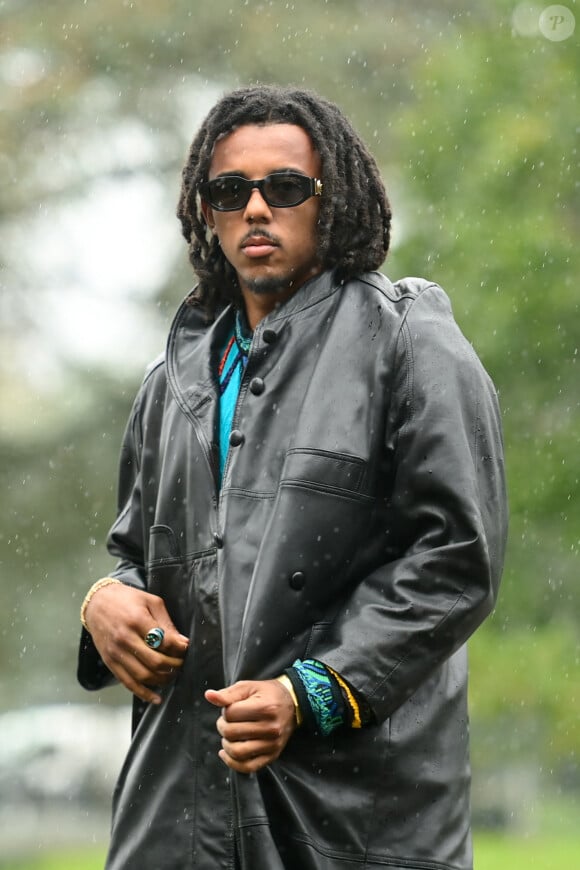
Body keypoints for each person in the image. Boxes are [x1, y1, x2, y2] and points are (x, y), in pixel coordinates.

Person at [77, 84, 508, 870]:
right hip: (176, 821)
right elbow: (140, 555)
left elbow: (454, 560)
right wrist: (105, 602)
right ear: (204, 210)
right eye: (229, 190)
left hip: (350, 822)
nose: (255, 210)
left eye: (284, 187)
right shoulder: (170, 380)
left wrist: (307, 692)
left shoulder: (410, 345)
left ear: (330, 198)